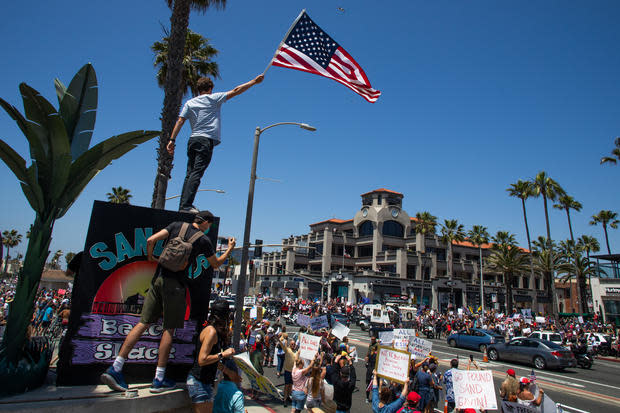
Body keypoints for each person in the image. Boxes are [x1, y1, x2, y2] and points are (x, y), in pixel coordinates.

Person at [100, 211, 236, 393]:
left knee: (143, 323)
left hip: (158, 279)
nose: (209, 228)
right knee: (169, 329)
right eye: (209, 225)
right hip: (176, 285)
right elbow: (216, 264)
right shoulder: (203, 241)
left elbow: (150, 241)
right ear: (205, 223)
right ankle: (159, 378)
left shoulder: (176, 226)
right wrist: (229, 248)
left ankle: (116, 367)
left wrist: (151, 257)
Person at [167, 75, 265, 212]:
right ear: (211, 88)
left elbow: (180, 121)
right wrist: (254, 82)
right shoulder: (213, 98)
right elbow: (236, 90)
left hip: (193, 140)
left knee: (189, 173)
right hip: (205, 140)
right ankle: (186, 206)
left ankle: (183, 206)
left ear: (198, 89)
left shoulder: (189, 103)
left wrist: (172, 140)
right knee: (197, 172)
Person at [186, 300, 235, 413]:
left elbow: (211, 360)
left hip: (204, 382)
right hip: (199, 382)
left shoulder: (212, 330)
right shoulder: (211, 332)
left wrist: (228, 371)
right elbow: (202, 360)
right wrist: (223, 354)